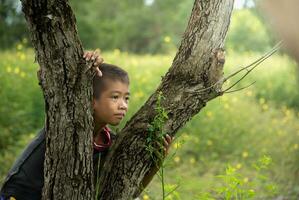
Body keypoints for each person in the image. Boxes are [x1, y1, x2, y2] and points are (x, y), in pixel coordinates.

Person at [0, 51, 173, 200]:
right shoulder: (66, 124)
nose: (123, 105)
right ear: (91, 101)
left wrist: (156, 163)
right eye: (115, 97)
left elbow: (126, 192)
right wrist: (86, 61)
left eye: (126, 98)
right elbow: (61, 82)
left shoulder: (109, 142)